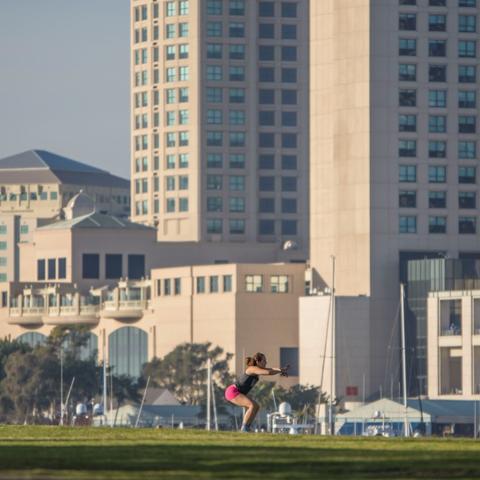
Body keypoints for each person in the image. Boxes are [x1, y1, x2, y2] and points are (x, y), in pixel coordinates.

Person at [224, 352, 288, 432]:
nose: (266, 362)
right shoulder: (252, 368)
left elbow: (270, 370)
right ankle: (244, 429)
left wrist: (281, 370)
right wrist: (279, 371)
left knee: (256, 406)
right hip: (232, 391)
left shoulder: (257, 369)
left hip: (236, 392)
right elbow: (268, 372)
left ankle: (247, 427)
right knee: (252, 405)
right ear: (258, 361)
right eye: (264, 361)